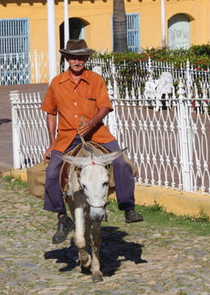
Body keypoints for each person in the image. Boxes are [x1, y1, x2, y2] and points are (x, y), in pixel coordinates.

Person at [41, 39, 143, 244]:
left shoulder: (96, 80)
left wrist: (92, 122)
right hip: (67, 136)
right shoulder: (57, 83)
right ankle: (62, 218)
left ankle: (128, 207)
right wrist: (52, 143)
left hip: (97, 133)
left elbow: (104, 106)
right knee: (52, 172)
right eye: (73, 57)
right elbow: (50, 113)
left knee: (121, 162)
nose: (77, 61)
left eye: (81, 57)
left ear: (86, 58)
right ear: (67, 59)